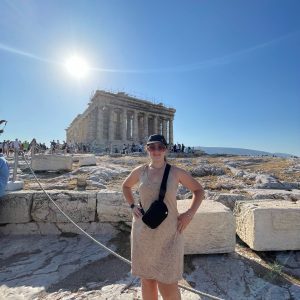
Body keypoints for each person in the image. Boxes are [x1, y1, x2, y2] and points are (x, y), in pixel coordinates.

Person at [122, 134, 205, 300]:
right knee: (147, 280)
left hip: (169, 234)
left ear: (166, 149)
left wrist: (189, 214)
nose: (156, 151)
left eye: (160, 147)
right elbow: (125, 186)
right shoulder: (140, 171)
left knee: (168, 283)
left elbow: (199, 191)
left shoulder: (176, 172)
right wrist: (132, 205)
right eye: (152, 147)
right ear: (147, 149)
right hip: (143, 232)